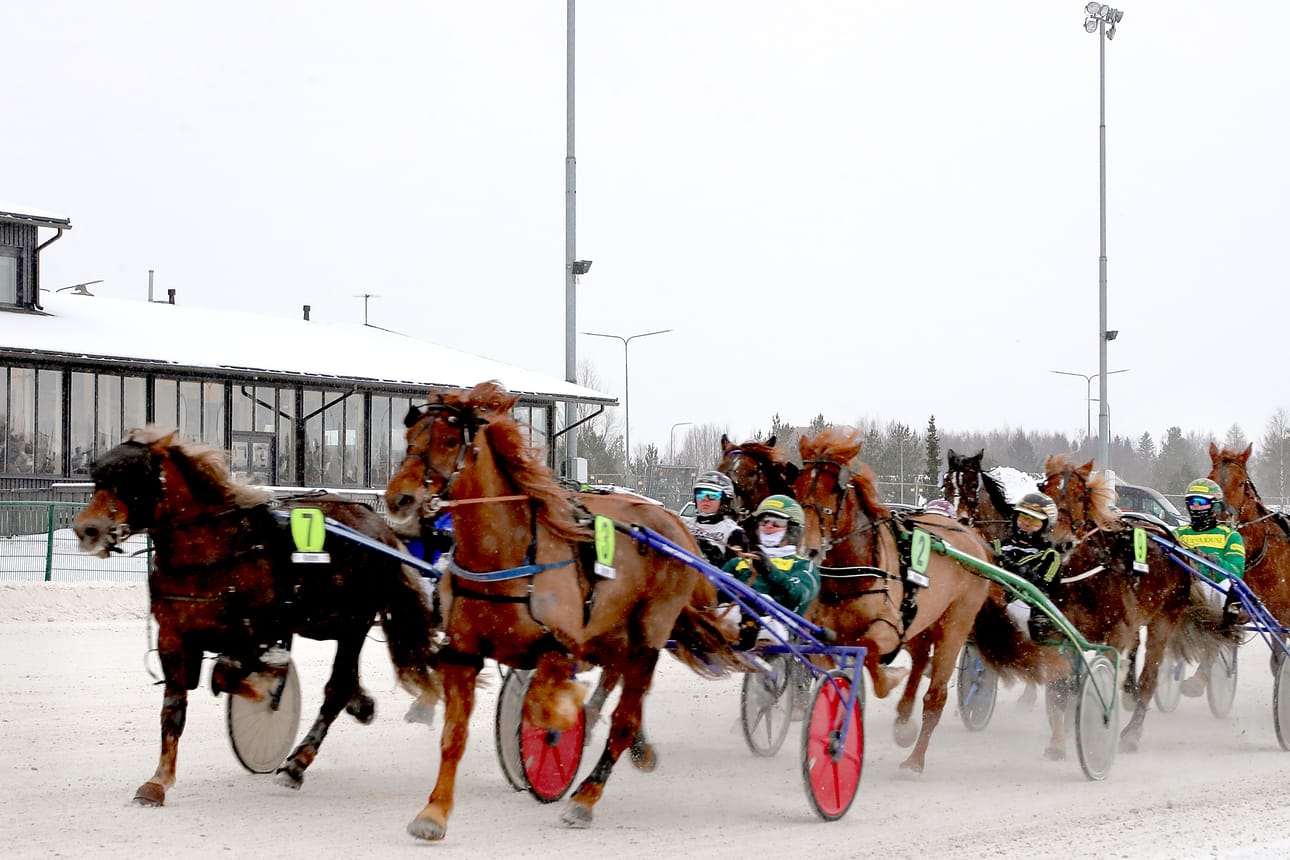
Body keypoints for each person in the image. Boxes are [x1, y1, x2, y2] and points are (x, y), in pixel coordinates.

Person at [1173, 478, 1245, 696]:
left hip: (1216, 589)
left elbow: (1235, 571)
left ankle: (1202, 674)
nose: (1195, 507)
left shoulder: (1230, 536)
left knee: (1225, 593)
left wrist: (1212, 561)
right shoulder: (1178, 534)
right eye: (1191, 502)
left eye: (1201, 502)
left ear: (1214, 506)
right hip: (1185, 586)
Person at [722, 494, 819, 648]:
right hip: (729, 623)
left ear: (793, 530)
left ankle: (751, 625)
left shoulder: (804, 566)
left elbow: (798, 594)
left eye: (776, 523)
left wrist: (769, 570)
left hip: (779, 634)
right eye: (764, 521)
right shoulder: (738, 562)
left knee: (766, 616)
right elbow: (713, 591)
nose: (768, 526)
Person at [994, 492, 1064, 642]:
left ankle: (1020, 649)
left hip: (1023, 605)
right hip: (990, 600)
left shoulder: (1050, 556)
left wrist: (1023, 572)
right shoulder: (995, 546)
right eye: (1022, 517)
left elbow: (1046, 586)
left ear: (1045, 526)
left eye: (1034, 520)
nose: (1026, 523)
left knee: (1017, 611)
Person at [686, 471, 748, 567]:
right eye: (700, 494)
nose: (705, 499)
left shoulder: (733, 532)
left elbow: (738, 570)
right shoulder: (683, 524)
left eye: (712, 495)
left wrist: (716, 557)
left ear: (724, 500)